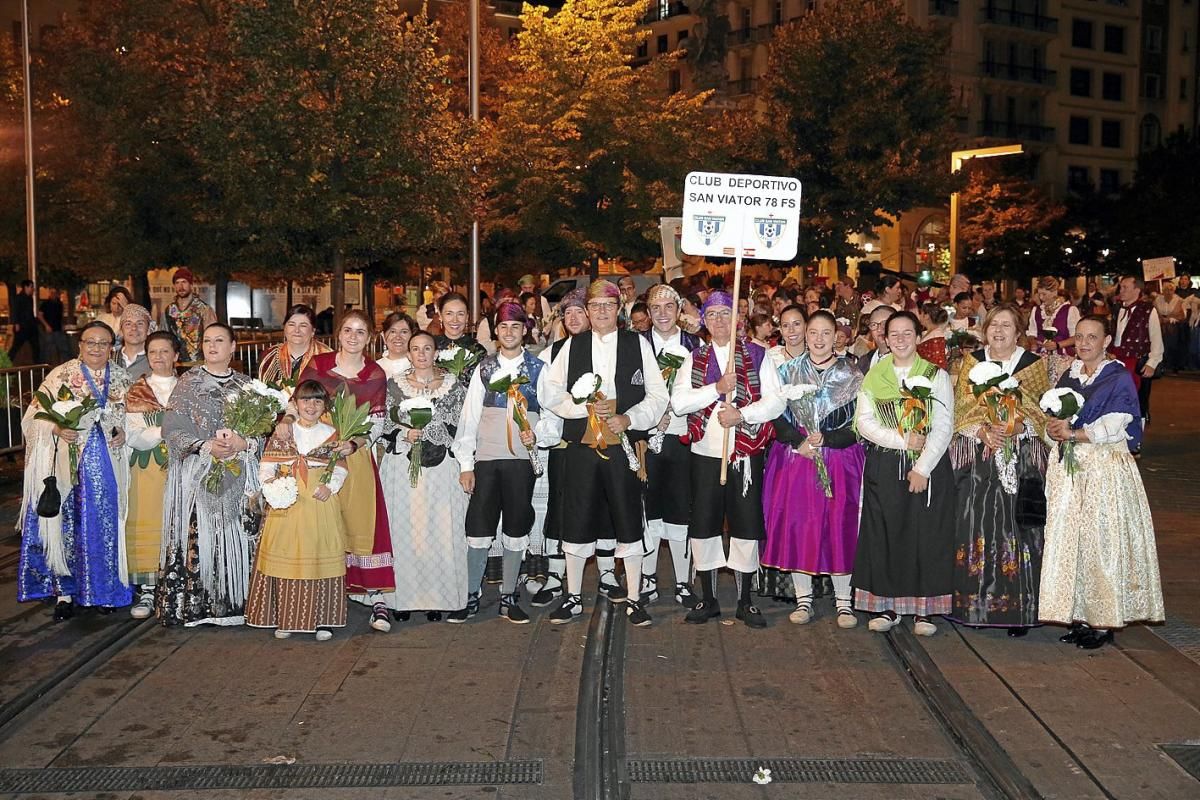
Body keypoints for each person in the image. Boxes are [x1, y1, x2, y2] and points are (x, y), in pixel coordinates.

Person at [541, 280, 669, 626]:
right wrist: (581, 409)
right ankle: (571, 596)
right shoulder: (572, 346)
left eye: (607, 306)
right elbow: (550, 393)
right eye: (594, 306)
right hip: (583, 444)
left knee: (628, 518)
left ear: (619, 309)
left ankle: (634, 597)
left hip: (622, 445)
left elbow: (658, 396)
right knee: (578, 517)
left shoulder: (637, 344)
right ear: (586, 311)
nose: (601, 312)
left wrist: (630, 417)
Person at [1040, 316, 1164, 649]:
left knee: (1101, 543)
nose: (1083, 343)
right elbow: (1053, 414)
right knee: (1075, 543)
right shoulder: (1070, 374)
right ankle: (1081, 615)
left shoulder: (1118, 377)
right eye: (1079, 337)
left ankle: (1104, 619)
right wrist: (1054, 429)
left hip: (1103, 470)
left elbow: (1116, 424)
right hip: (1073, 471)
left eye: (1091, 337)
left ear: (1106, 340)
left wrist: (1074, 433)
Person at [671, 290, 785, 629]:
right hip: (705, 454)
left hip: (745, 454)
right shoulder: (695, 358)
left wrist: (743, 415)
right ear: (704, 322)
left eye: (726, 314)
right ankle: (708, 597)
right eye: (713, 315)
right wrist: (716, 389)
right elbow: (679, 403)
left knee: (746, 524)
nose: (720, 320)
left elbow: (776, 402)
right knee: (704, 524)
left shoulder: (758, 355)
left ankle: (746, 599)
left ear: (738, 319)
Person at [18, 321, 131, 620]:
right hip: (66, 467)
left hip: (107, 466)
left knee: (104, 527)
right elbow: (33, 417)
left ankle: (103, 592)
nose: (96, 348)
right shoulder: (61, 375)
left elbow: (132, 418)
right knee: (65, 526)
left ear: (112, 347)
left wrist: (123, 433)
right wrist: (55, 428)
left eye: (103, 343)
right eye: (90, 342)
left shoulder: (121, 378)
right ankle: (65, 593)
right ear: (79, 345)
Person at [852, 311, 955, 636]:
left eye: (906, 333)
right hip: (885, 464)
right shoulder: (874, 376)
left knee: (925, 536)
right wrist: (901, 439)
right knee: (886, 534)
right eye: (892, 333)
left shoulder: (935, 375)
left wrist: (922, 467)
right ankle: (888, 606)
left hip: (928, 467)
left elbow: (943, 425)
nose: (899, 339)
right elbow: (864, 423)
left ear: (917, 335)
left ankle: (924, 611)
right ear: (883, 337)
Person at [949, 305, 1050, 635]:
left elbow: (1040, 410)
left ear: (1018, 331)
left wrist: (1017, 427)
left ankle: (1019, 610)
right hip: (980, 458)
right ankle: (976, 605)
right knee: (976, 524)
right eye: (993, 324)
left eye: (1006, 325)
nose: (999, 330)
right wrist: (982, 431)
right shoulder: (973, 362)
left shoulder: (1033, 366)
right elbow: (962, 406)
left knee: (1018, 528)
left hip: (1019, 458)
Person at [761, 311, 864, 628]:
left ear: (837, 336)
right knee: (800, 525)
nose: (819, 339)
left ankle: (844, 601)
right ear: (805, 335)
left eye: (826, 333)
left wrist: (830, 439)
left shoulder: (852, 373)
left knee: (839, 526)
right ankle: (803, 599)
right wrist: (797, 442)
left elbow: (861, 423)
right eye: (813, 333)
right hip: (798, 458)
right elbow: (775, 414)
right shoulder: (788, 370)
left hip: (839, 459)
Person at [157, 323, 260, 626]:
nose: (212, 346)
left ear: (233, 347)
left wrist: (246, 443)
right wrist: (204, 445)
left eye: (219, 340)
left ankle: (240, 604)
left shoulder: (247, 386)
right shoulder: (188, 383)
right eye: (207, 341)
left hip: (239, 474)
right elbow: (172, 431)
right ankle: (198, 608)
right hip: (198, 476)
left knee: (239, 536)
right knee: (200, 538)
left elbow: (264, 432)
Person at [451, 302, 547, 624]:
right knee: (479, 526)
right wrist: (466, 463)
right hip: (487, 460)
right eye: (503, 327)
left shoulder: (537, 369)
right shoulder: (485, 368)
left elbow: (550, 414)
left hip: (520, 461)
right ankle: (470, 594)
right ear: (495, 331)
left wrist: (538, 433)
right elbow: (469, 417)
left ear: (525, 331)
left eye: (516, 327)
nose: (509, 333)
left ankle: (509, 594)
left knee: (517, 525)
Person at [298, 310, 393, 629]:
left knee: (363, 523)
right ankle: (325, 598)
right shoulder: (318, 366)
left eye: (361, 332)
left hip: (354, 456)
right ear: (338, 334)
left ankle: (378, 597)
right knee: (322, 523)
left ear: (370, 338)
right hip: (319, 454)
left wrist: (354, 443)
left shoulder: (375, 374)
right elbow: (298, 402)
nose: (353, 337)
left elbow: (378, 423)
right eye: (348, 330)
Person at [374, 331, 470, 621]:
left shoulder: (453, 386)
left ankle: (437, 599)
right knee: (406, 531)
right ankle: (401, 600)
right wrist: (405, 432)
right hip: (403, 468)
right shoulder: (395, 384)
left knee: (439, 530)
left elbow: (463, 426)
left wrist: (436, 430)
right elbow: (384, 425)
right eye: (415, 349)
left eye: (427, 348)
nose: (421, 354)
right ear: (409, 353)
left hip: (441, 469)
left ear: (435, 353)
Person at [247, 379, 348, 641]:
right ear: (295, 403)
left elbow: (339, 467)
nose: (311, 405)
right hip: (287, 502)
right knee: (287, 553)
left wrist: (331, 485)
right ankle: (286, 617)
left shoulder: (331, 433)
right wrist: (273, 488)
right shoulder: (283, 432)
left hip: (318, 501)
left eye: (317, 400)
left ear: (325, 405)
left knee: (319, 553)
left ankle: (324, 619)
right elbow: (266, 466)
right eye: (305, 400)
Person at [638, 284, 703, 609]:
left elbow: (705, 391)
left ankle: (682, 581)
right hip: (645, 440)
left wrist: (674, 411)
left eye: (668, 306)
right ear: (647, 314)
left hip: (682, 438)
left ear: (679, 310)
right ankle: (648, 577)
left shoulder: (695, 345)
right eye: (656, 307)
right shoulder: (637, 345)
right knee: (649, 511)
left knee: (680, 510)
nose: (662, 313)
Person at [529, 289, 590, 609]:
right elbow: (543, 402)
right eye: (568, 314)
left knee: (596, 506)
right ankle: (555, 574)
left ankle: (606, 571)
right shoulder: (549, 355)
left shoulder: (603, 350)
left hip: (596, 442)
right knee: (558, 507)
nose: (574, 318)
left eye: (580, 312)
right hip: (562, 445)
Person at [123, 331, 180, 619]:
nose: (159, 357)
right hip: (145, 469)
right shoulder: (137, 391)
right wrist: (163, 431)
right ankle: (147, 589)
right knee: (146, 521)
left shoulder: (187, 390)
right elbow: (133, 436)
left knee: (177, 523)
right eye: (153, 352)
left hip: (181, 469)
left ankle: (175, 586)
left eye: (165, 351)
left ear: (176, 356)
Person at [1111, 275, 1163, 428]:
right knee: (1117, 399)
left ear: (1137, 290)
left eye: (1125, 287)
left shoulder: (1148, 310)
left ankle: (1136, 439)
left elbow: (1156, 339)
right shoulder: (1117, 309)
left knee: (1139, 402)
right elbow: (1115, 335)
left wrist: (1152, 363)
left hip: (1137, 362)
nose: (1121, 290)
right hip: (1117, 360)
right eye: (1121, 287)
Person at [257, 304, 331, 389]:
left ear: (313, 331)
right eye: (291, 324)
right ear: (284, 328)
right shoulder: (269, 356)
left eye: (303, 325)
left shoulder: (327, 356)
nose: (296, 330)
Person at [160, 268, 217, 363]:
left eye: (184, 282)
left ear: (191, 284)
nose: (180, 286)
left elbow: (213, 336)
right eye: (177, 283)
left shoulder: (203, 309)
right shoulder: (169, 310)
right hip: (175, 363)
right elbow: (163, 337)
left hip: (199, 363)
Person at [433, 291, 488, 379]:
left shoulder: (477, 350)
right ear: (440, 316)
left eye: (460, 314)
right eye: (449, 314)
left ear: (467, 317)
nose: (455, 320)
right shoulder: (431, 346)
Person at [1028, 277, 1079, 358]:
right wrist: (1034, 343)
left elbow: (1077, 336)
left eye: (1044, 294)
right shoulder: (1036, 310)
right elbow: (1032, 333)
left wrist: (1058, 345)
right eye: (1039, 294)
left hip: (1062, 356)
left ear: (1054, 292)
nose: (1041, 297)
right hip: (1040, 355)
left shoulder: (1070, 310)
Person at [1154, 281, 1186, 373]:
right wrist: (1161, 319)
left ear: (1174, 290)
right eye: (1166, 289)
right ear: (1163, 290)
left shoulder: (1179, 300)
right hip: (1160, 326)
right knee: (1160, 346)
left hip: (1174, 327)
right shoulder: (1157, 300)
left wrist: (1171, 319)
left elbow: (1183, 316)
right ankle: (1162, 366)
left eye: (1171, 289)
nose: (1168, 291)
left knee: (1173, 346)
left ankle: (1173, 365)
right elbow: (1154, 312)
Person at [115, 304, 153, 380]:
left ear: (148, 330)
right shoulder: (110, 358)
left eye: (140, 323)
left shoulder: (155, 360)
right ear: (121, 331)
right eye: (128, 324)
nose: (134, 328)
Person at [8, 280, 40, 363]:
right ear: (26, 287)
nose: (32, 289)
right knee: (16, 346)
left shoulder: (29, 298)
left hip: (30, 326)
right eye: (31, 287)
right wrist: (16, 323)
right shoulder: (19, 298)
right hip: (22, 326)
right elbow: (15, 311)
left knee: (36, 346)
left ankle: (37, 365)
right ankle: (7, 363)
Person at [857, 304, 895, 374]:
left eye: (885, 323)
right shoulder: (864, 361)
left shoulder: (906, 360)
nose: (880, 329)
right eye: (874, 325)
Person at [377, 311, 416, 379]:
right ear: (383, 336)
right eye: (393, 332)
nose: (398, 337)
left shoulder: (420, 367)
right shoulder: (375, 368)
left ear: (413, 336)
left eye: (404, 332)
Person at [38, 288, 71, 366]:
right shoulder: (45, 303)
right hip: (50, 329)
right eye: (52, 293)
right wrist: (46, 325)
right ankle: (47, 365)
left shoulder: (59, 303)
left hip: (58, 328)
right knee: (48, 349)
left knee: (63, 348)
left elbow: (60, 315)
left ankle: (65, 364)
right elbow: (40, 315)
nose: (54, 294)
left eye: (55, 293)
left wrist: (62, 325)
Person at [916, 302, 950, 369]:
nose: (919, 316)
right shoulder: (925, 333)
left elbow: (938, 362)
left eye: (921, 313)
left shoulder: (937, 336)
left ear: (926, 316)